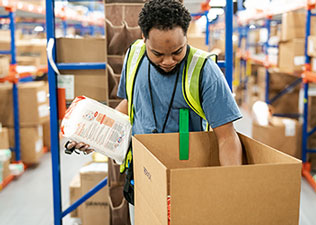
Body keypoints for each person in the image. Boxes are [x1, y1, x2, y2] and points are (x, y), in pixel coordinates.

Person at [66, 0, 242, 224]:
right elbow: (130, 105)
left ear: (186, 37)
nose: (168, 61)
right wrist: (95, 135)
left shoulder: (205, 71)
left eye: (177, 51)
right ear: (143, 38)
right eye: (157, 53)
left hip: (186, 178)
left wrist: (233, 190)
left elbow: (227, 137)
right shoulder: (134, 56)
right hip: (141, 175)